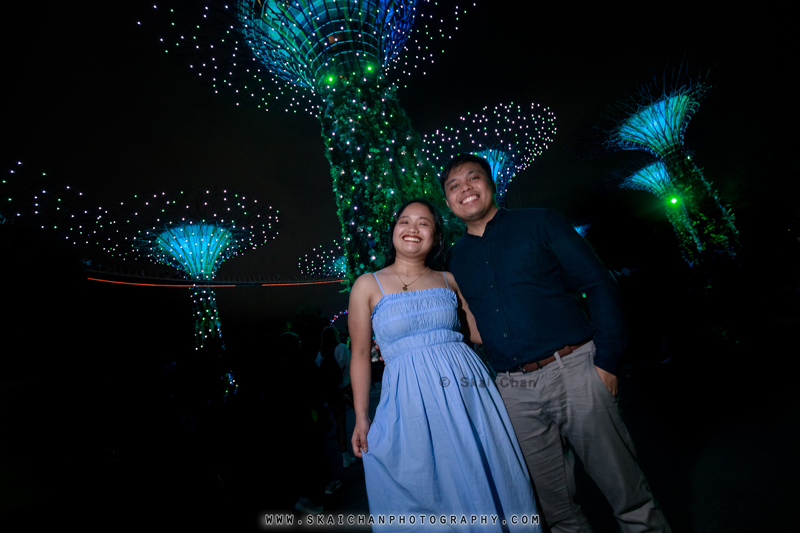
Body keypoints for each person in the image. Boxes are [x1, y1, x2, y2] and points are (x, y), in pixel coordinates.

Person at [440, 153, 670, 533]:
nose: (465, 187)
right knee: (557, 511)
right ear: (448, 202)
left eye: (473, 177)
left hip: (575, 371)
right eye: (454, 185)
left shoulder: (540, 222)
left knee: (627, 494)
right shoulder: (456, 260)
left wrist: (607, 362)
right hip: (513, 391)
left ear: (491, 184)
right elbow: (471, 326)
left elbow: (599, 285)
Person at [349, 198, 540, 531]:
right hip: (409, 397)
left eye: (424, 223)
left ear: (435, 237)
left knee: (482, 467)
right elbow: (361, 355)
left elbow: (481, 332)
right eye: (404, 221)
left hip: (467, 391)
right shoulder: (368, 284)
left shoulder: (449, 279)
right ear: (394, 230)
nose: (412, 229)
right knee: (424, 481)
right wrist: (362, 416)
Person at [318, 325, 357, 468]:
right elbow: (353, 365)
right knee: (361, 416)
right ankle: (371, 446)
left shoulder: (320, 355)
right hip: (347, 388)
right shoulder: (341, 348)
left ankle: (345, 457)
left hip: (333, 393)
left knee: (340, 423)